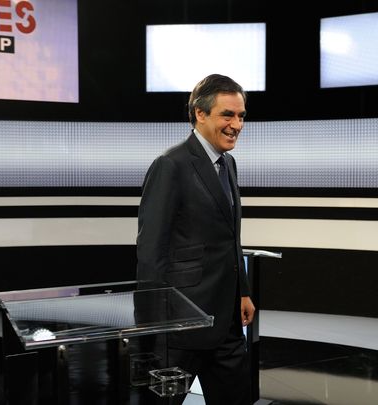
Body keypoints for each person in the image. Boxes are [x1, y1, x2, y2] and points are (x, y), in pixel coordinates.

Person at [136, 74, 254, 405]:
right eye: (227, 115)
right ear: (200, 114)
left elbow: (231, 238)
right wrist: (152, 324)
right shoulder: (170, 165)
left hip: (227, 320)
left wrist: (242, 291)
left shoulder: (228, 164)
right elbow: (151, 250)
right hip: (180, 324)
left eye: (241, 115)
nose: (237, 124)